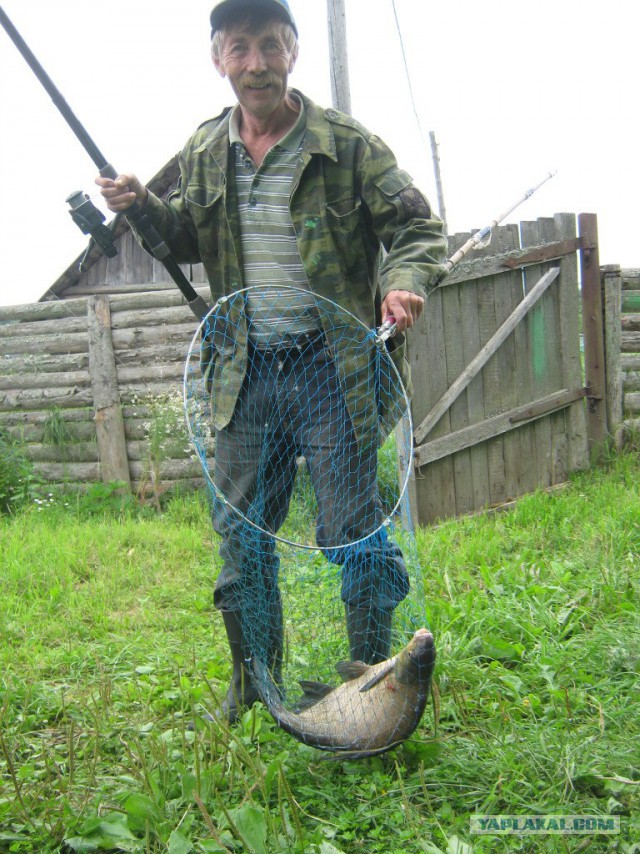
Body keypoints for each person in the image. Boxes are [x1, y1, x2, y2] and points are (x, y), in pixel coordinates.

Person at [97, 0, 447, 725]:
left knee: (351, 527)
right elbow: (185, 235)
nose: (255, 63)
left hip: (335, 367)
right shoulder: (203, 151)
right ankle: (253, 676)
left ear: (292, 50)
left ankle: (369, 678)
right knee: (242, 532)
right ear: (218, 58)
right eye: (239, 48)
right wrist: (138, 206)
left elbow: (415, 225)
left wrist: (404, 279)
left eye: (269, 45)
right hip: (246, 370)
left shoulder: (347, 146)